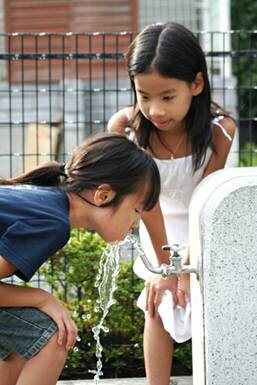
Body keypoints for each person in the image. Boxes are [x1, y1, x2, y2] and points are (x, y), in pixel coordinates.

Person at [107, 22, 236, 385]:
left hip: (202, 225)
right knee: (159, 303)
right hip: (155, 224)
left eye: (167, 97)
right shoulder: (126, 128)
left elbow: (207, 200)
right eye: (143, 96)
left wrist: (188, 265)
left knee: (208, 302)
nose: (155, 109)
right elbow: (144, 203)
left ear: (196, 84)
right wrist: (167, 269)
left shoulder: (219, 129)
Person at [0, 132, 160, 385]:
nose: (136, 222)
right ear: (104, 195)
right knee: (51, 336)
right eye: (137, 209)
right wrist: (42, 298)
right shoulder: (53, 222)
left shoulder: (46, 203)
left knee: (26, 340)